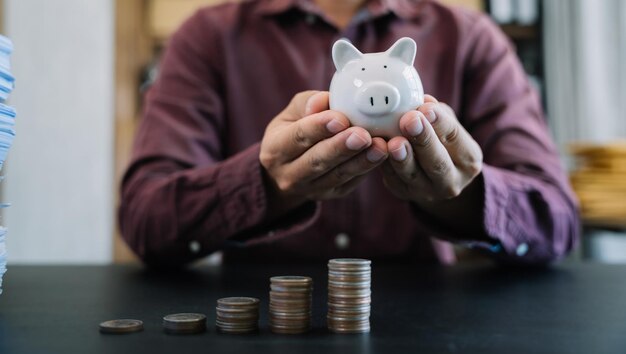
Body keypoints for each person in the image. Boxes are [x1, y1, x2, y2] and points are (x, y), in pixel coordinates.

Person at [119, 0, 579, 267]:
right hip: (262, 322)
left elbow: (557, 223)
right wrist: (267, 183)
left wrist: (461, 192)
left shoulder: (472, 38)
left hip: (426, 326)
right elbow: (146, 220)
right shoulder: (208, 37)